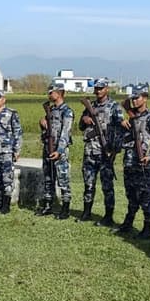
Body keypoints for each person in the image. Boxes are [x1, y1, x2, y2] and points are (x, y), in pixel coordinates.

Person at [114, 84, 150, 239]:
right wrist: (123, 127)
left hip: (143, 165)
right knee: (131, 195)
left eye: (137, 97)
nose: (134, 101)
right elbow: (122, 141)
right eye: (132, 98)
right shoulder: (130, 117)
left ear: (145, 98)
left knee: (145, 196)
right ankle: (129, 222)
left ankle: (147, 226)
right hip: (129, 163)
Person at [78, 78, 122, 225]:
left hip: (105, 153)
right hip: (90, 152)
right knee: (88, 184)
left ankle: (108, 216)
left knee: (107, 186)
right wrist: (84, 119)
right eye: (96, 88)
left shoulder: (114, 107)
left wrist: (114, 150)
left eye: (101, 88)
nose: (98, 91)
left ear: (107, 89)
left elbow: (119, 130)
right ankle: (86, 212)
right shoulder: (90, 106)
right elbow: (80, 126)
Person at [38, 81, 74, 219]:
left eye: (51, 92)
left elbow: (66, 132)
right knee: (48, 178)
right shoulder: (51, 110)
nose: (49, 94)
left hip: (60, 151)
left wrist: (59, 150)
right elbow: (48, 131)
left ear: (59, 93)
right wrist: (43, 125)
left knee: (63, 179)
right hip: (48, 147)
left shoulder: (67, 111)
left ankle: (65, 208)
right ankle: (48, 205)